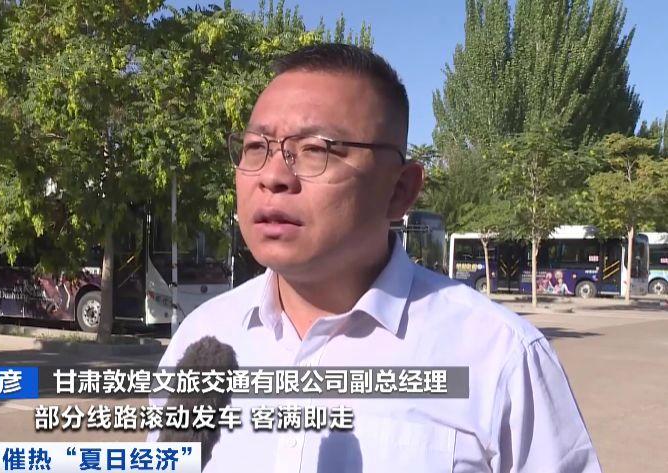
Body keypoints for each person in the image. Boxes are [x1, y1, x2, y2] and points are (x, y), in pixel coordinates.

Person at [149, 43, 600, 472]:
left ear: (400, 190)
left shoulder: (498, 356)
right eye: (255, 147)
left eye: (314, 150)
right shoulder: (202, 336)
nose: (272, 176)